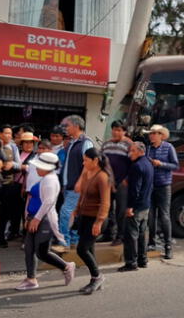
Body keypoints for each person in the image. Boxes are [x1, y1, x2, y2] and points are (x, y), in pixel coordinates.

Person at [16, 152, 76, 291]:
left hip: (44, 220)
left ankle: (66, 266)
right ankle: (31, 279)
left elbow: (48, 202)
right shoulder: (44, 178)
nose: (36, 168)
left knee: (41, 252)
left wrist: (36, 219)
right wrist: (28, 217)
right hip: (34, 218)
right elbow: (32, 197)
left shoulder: (51, 180)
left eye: (39, 166)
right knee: (29, 249)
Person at [72, 147, 112, 294]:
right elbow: (83, 195)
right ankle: (95, 278)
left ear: (95, 161)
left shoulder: (102, 177)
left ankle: (97, 277)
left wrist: (99, 221)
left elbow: (105, 202)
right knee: (89, 249)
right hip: (85, 217)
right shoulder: (88, 173)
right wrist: (77, 209)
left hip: (95, 219)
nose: (83, 163)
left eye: (86, 160)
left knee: (81, 249)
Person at [59, 115, 93, 248]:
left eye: (67, 126)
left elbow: (88, 165)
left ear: (76, 126)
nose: (65, 129)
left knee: (65, 212)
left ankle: (64, 241)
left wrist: (80, 182)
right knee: (74, 213)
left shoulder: (86, 142)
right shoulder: (73, 142)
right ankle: (74, 239)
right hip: (69, 185)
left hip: (77, 186)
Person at [118, 142, 153, 272]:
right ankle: (142, 260)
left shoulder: (137, 166)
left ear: (140, 151)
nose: (129, 153)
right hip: (145, 205)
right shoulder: (148, 163)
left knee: (131, 235)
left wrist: (130, 207)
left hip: (137, 207)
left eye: (132, 151)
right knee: (142, 234)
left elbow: (135, 190)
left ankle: (131, 263)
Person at [147, 124, 179, 260]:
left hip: (164, 186)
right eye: (151, 133)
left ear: (161, 135)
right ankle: (151, 243)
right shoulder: (148, 149)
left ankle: (168, 246)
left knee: (164, 216)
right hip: (151, 186)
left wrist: (161, 164)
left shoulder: (169, 148)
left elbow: (176, 166)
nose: (152, 135)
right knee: (151, 216)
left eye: (154, 133)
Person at [101, 120, 132, 246]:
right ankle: (108, 234)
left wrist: (127, 179)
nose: (116, 132)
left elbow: (134, 163)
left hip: (122, 183)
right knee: (107, 209)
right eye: (114, 129)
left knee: (121, 210)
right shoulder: (106, 144)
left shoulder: (129, 145)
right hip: (108, 182)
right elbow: (101, 162)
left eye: (119, 130)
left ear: (124, 131)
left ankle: (120, 236)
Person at [0, 124, 23, 248]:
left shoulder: (13, 147)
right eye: (6, 133)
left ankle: (1, 237)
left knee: (5, 213)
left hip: (8, 184)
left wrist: (12, 165)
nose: (9, 136)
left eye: (10, 134)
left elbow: (19, 164)